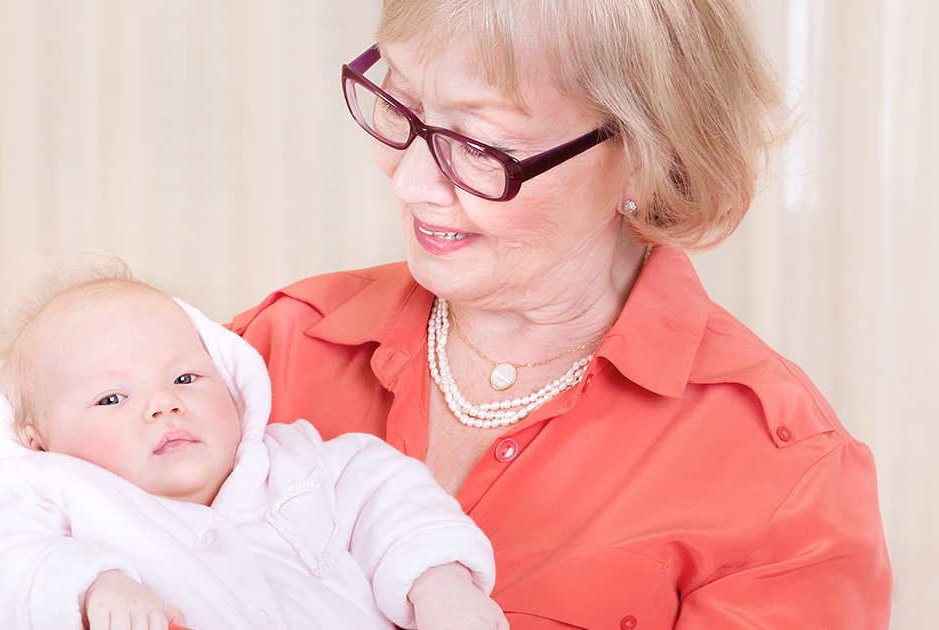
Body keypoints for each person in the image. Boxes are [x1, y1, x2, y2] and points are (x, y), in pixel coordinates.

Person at [229, 0, 893, 628]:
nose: (410, 183)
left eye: (481, 146)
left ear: (646, 157)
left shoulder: (782, 479)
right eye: (400, 104)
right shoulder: (272, 350)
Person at [0, 260, 505, 630]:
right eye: (112, 398)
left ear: (234, 388)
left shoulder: (299, 464)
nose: (163, 404)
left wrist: (439, 583)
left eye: (185, 379)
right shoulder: (48, 493)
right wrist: (90, 586)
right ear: (42, 442)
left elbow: (391, 495)